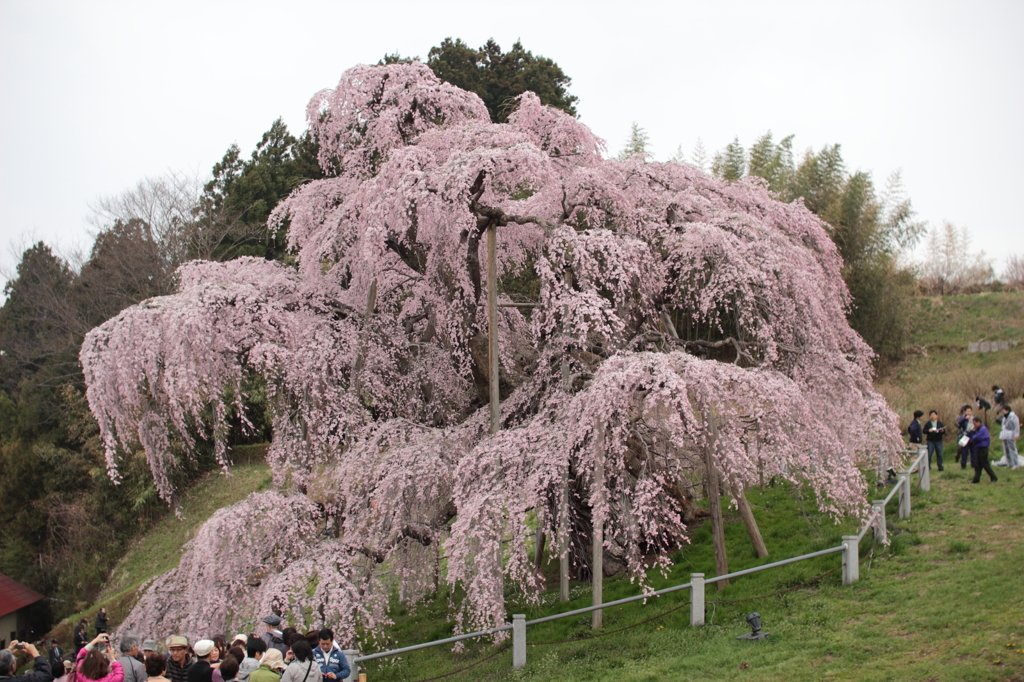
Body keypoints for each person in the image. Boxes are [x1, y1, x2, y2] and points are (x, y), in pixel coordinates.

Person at [968, 416, 997, 483]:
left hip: (983, 448)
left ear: (979, 422)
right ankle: (976, 479)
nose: (974, 425)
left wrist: (973, 436)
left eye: (975, 423)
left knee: (984, 463)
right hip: (978, 448)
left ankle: (993, 477)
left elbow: (976, 437)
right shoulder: (978, 429)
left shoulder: (983, 429)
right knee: (977, 464)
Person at [999, 404, 1020, 468]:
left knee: (1012, 449)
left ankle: (1015, 464)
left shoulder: (1013, 417)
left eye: (1004, 410)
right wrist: (1001, 436)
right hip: (1005, 434)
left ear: (1007, 410)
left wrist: (1016, 434)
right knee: (1006, 449)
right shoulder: (1004, 418)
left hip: (1011, 434)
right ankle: (1009, 463)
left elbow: (1016, 426)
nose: (1003, 412)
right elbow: (1003, 427)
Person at [956, 405, 974, 469]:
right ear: (965, 411)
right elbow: (958, 423)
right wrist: (964, 419)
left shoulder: (973, 418)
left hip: (972, 435)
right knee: (964, 451)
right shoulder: (962, 417)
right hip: (965, 435)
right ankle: (963, 464)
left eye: (970, 411)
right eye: (967, 411)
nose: (969, 412)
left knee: (973, 450)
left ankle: (973, 464)